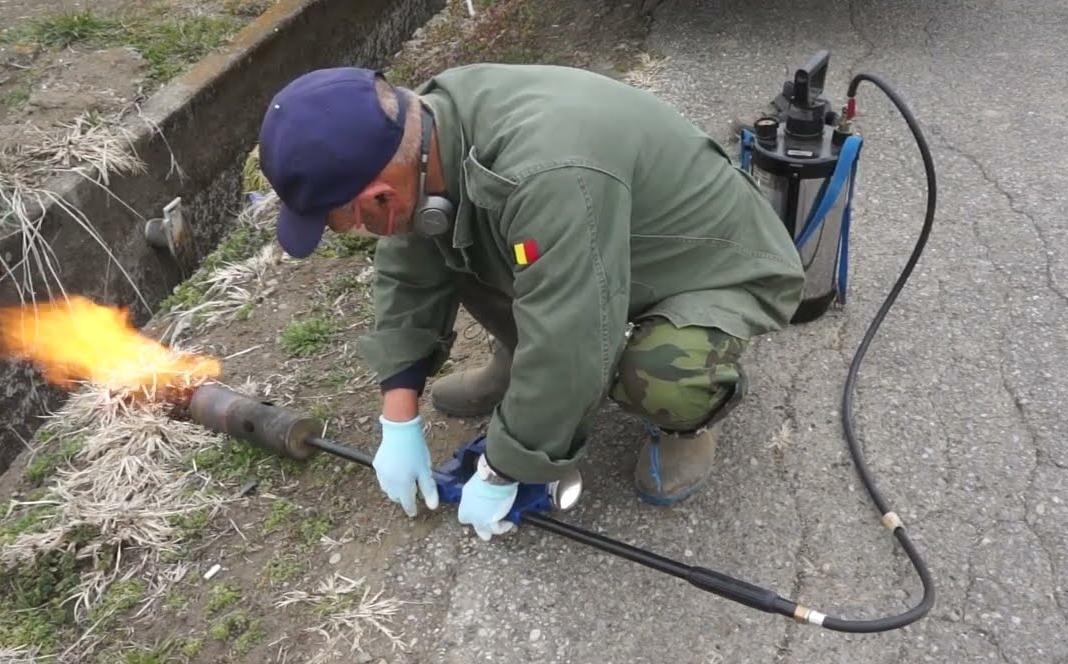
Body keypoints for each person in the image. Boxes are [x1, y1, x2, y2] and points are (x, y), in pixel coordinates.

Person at [256, 63, 805, 541]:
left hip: (711, 269)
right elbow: (410, 274)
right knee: (455, 233)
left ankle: (688, 420)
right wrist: (397, 423)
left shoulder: (547, 173)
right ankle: (518, 366)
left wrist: (504, 468)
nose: (350, 231)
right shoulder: (416, 132)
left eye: (342, 221)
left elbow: (573, 338)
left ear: (378, 196)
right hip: (600, 248)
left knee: (661, 375)